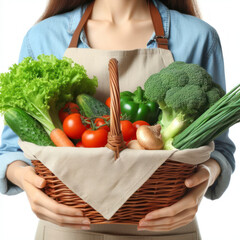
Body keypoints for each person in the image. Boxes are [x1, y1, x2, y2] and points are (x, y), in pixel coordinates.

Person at [0, 0, 236, 239]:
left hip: (166, 228)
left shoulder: (197, 36)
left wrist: (201, 182)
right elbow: (11, 151)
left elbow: (219, 149)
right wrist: (28, 183)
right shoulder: (43, 36)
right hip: (67, 228)